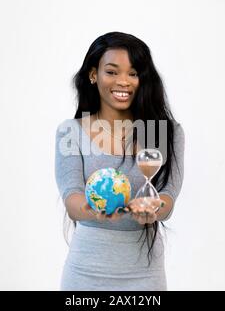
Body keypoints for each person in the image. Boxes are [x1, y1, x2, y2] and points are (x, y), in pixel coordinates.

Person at [54, 31, 185, 290]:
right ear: (93, 75)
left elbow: (168, 196)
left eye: (133, 73)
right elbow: (72, 196)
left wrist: (154, 209)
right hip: (85, 273)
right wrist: (93, 209)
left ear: (143, 79)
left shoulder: (160, 131)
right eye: (112, 72)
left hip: (144, 275)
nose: (123, 81)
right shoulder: (71, 131)